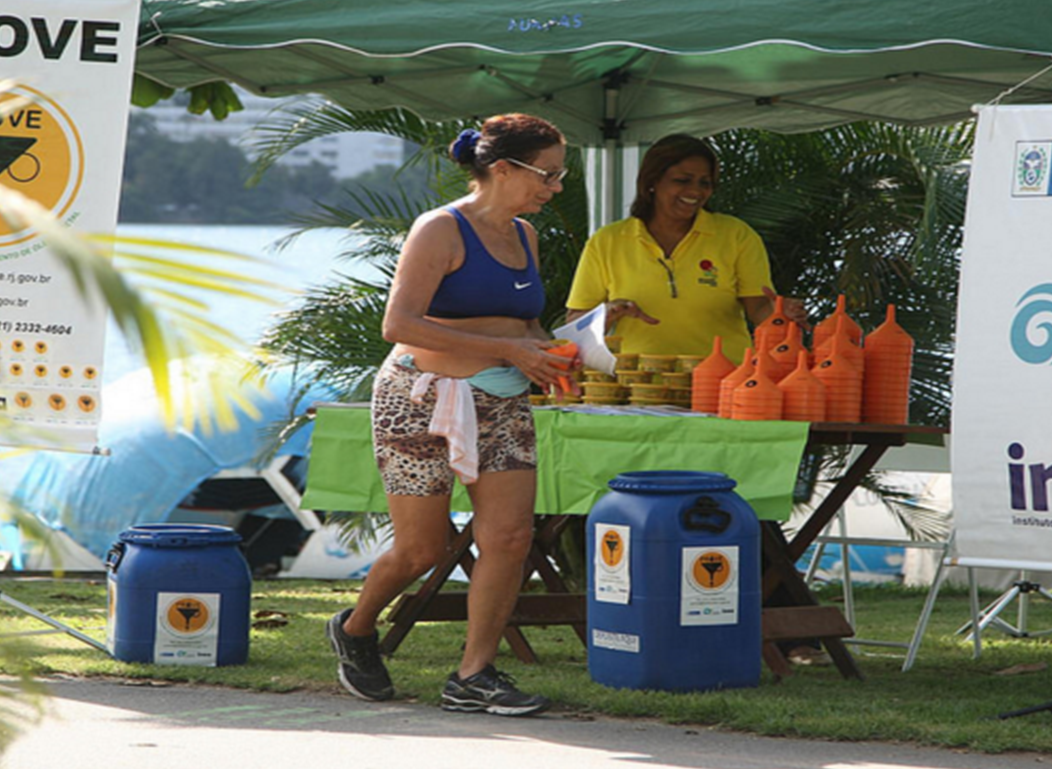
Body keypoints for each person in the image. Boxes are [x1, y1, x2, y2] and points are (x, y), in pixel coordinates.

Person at [325, 114, 572, 718]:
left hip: (503, 398)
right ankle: (356, 629)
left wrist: (561, 349)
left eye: (561, 176)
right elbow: (399, 325)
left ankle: (474, 673)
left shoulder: (525, 236)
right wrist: (510, 350)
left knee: (510, 538)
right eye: (548, 175)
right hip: (418, 397)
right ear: (503, 169)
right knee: (422, 550)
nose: (556, 188)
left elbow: (524, 326)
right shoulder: (439, 230)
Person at [566, 134, 807, 362]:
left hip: (724, 384)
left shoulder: (736, 235)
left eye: (705, 183)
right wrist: (608, 312)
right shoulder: (608, 241)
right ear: (652, 182)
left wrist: (782, 313)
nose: (695, 191)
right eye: (682, 180)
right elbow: (575, 323)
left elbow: (760, 309)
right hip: (639, 388)